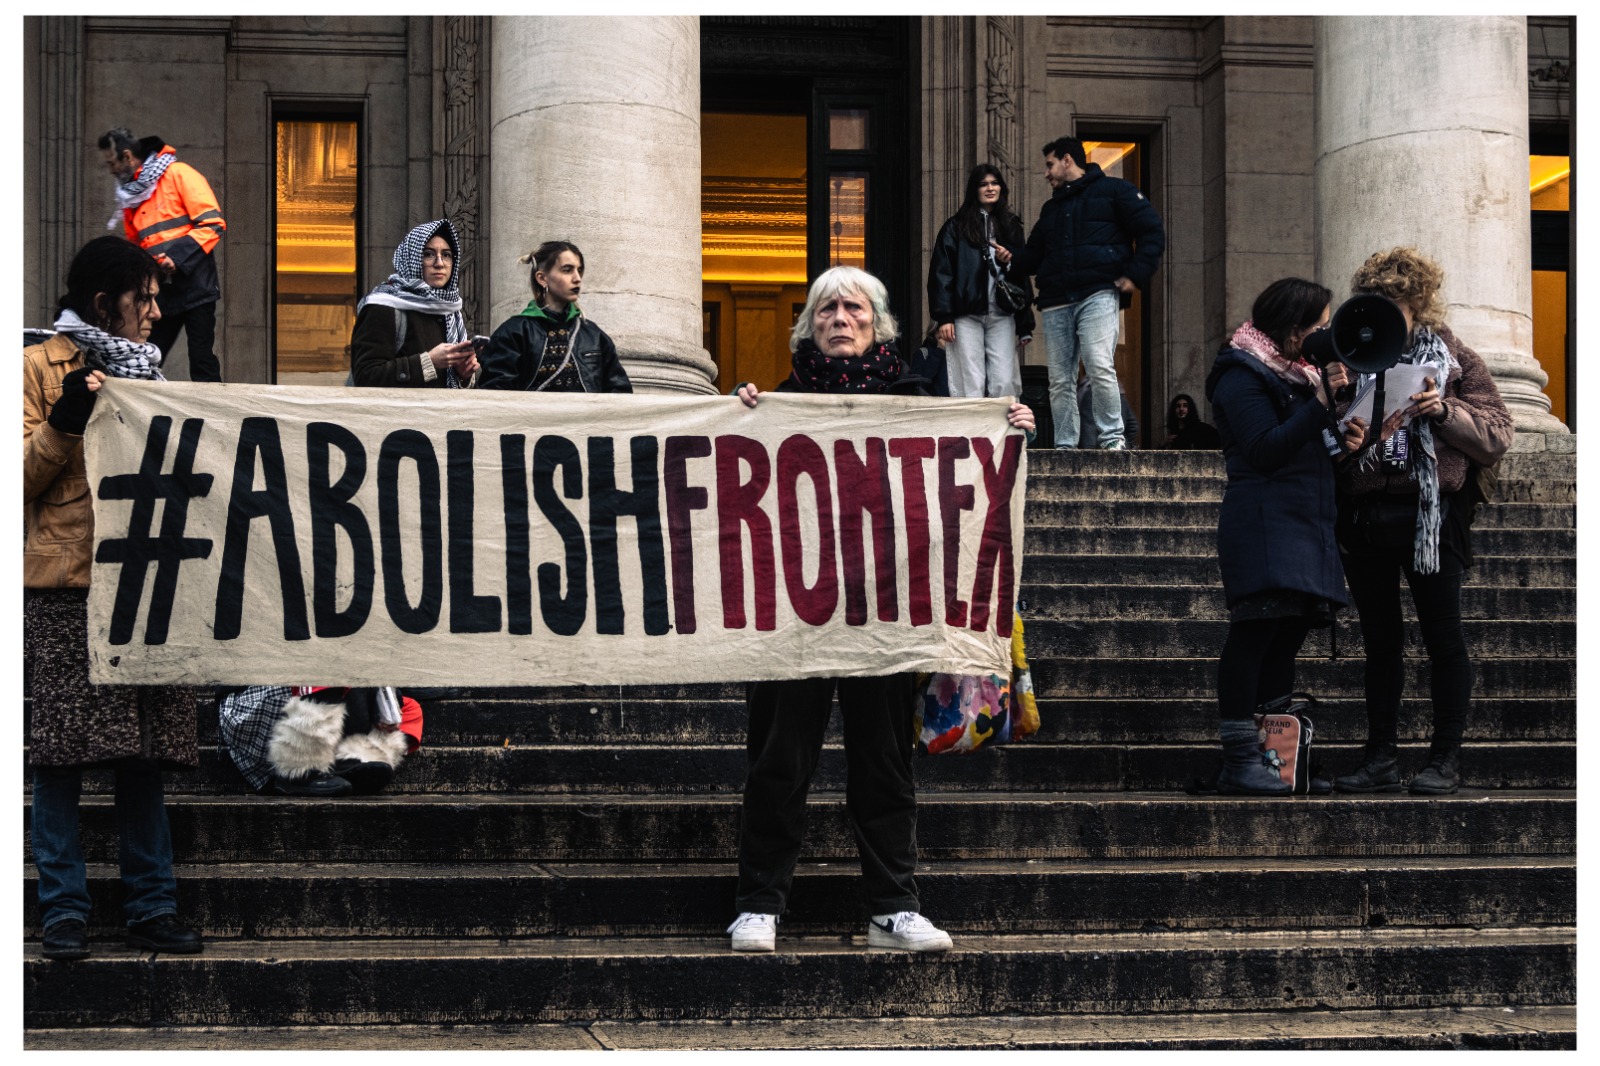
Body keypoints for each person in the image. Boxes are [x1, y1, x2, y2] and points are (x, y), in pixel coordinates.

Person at [727, 266, 1035, 954]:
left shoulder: (920, 399)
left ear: (878, 324)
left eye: (854, 308)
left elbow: (964, 482)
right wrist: (738, 415)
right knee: (778, 760)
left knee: (884, 763)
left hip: (888, 613)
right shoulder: (776, 402)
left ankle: (893, 907)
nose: (840, 318)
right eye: (826, 309)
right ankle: (758, 905)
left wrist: (1007, 428)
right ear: (809, 326)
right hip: (795, 617)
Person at [24, 235, 204, 960]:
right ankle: (63, 912)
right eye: (145, 299)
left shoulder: (152, 376)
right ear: (105, 304)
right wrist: (64, 421)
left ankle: (151, 905)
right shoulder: (34, 368)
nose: (156, 314)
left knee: (143, 755)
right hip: (66, 588)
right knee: (59, 757)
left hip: (145, 584)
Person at [1332, 248, 1513, 796]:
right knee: (1380, 643)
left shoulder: (1456, 359)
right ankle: (1380, 759)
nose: (1385, 312)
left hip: (1432, 517)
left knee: (1444, 639)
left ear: (1419, 304)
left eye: (1395, 303)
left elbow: (1498, 434)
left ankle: (1444, 759)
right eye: (1375, 301)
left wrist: (1445, 412)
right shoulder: (1353, 356)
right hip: (1367, 516)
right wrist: (1341, 421)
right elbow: (1327, 434)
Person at [1205, 278, 1366, 794]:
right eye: (1321, 326)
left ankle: (1277, 764)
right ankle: (1239, 761)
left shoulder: (1298, 376)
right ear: (1293, 327)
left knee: (1284, 642)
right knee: (1254, 637)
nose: (1325, 336)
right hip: (1263, 524)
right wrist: (1320, 403)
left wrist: (1346, 443)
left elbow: (1306, 449)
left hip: (1305, 524)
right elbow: (1265, 449)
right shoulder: (1240, 372)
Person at [1009, 136, 1166, 450]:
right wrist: (1010, 258)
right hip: (1056, 301)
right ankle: (1066, 445)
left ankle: (1112, 439)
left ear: (1067, 160)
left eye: (1050, 164)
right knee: (1059, 379)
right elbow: (1033, 256)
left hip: (1098, 292)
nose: (1046, 173)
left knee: (1098, 365)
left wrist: (1135, 274)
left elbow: (1151, 231)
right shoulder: (1051, 208)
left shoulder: (1115, 190)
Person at [98, 127, 226, 383]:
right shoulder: (132, 195)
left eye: (112, 163)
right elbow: (136, 246)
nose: (110, 170)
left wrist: (175, 258)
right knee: (146, 358)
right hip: (161, 290)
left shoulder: (179, 174)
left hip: (196, 285)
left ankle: (211, 407)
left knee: (201, 359)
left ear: (127, 156)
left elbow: (213, 223)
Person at [926, 163, 1035, 398]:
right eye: (983, 184)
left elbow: (1022, 275)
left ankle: (1002, 423)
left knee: (1004, 380)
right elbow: (941, 273)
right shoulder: (956, 227)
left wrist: (1024, 323)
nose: (990, 188)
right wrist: (944, 317)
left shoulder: (1011, 226)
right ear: (974, 189)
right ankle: (971, 424)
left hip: (1002, 312)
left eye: (994, 183)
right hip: (966, 313)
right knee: (970, 380)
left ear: (1001, 187)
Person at [475, 240, 632, 393]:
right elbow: (496, 395)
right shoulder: (514, 333)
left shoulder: (594, 335)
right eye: (567, 270)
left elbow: (620, 394)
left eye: (579, 270)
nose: (577, 278)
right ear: (542, 278)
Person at [216, 686, 424, 797]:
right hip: (252, 702)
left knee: (410, 710)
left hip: (321, 706)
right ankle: (298, 773)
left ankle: (344, 762)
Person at [350, 218, 479, 388]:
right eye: (428, 254)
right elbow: (365, 376)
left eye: (446, 255)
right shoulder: (383, 306)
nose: (439, 263)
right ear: (412, 258)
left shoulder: (451, 312)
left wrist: (462, 375)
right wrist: (428, 362)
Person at [1077, 377, 1140, 449]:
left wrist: (1088, 453)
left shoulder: (1090, 392)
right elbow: (1133, 426)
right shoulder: (1118, 392)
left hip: (1101, 451)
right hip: (1121, 448)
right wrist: (1126, 443)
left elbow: (1089, 430)